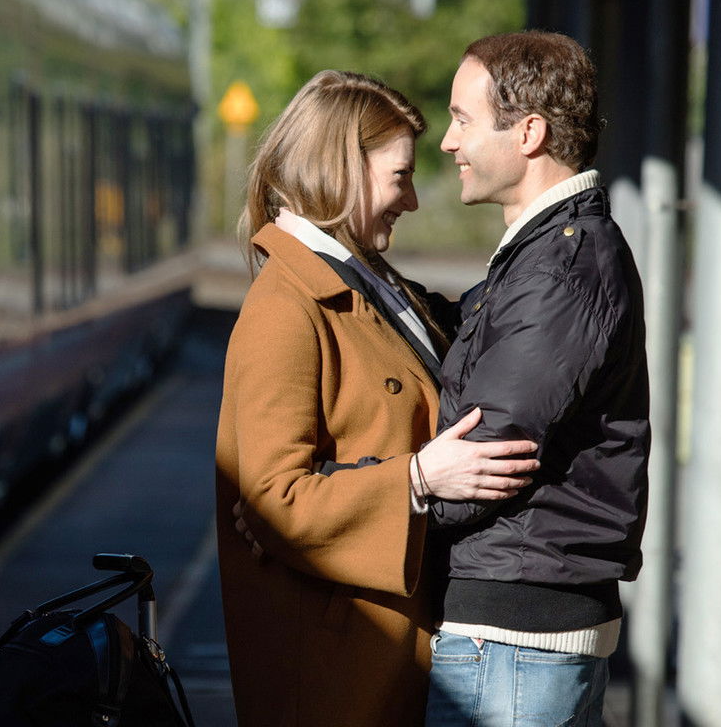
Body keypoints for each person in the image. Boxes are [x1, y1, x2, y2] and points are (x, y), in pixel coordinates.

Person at [214, 70, 542, 727]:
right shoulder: (285, 308)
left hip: (377, 663)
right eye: (400, 177)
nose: (412, 200)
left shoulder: (366, 282)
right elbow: (276, 501)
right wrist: (419, 478)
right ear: (341, 171)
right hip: (335, 682)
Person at [420, 30, 650, 726]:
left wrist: (371, 493)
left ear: (529, 133)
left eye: (462, 120)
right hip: (522, 635)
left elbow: (487, 456)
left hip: (513, 640)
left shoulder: (559, 270)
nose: (448, 143)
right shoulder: (547, 255)